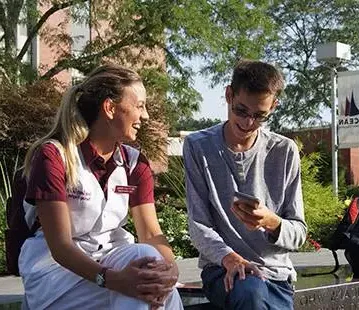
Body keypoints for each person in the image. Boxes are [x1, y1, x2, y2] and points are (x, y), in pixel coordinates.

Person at [19, 64, 183, 309]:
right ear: (109, 108)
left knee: (154, 275)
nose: (145, 116)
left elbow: (150, 234)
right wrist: (112, 279)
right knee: (143, 272)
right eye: (139, 105)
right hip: (57, 277)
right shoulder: (54, 156)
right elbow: (61, 247)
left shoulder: (136, 164)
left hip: (113, 265)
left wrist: (171, 271)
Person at [183, 59, 307, 309]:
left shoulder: (284, 151)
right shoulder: (198, 146)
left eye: (260, 116)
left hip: (276, 276)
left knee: (255, 293)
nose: (248, 122)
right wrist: (229, 258)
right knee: (250, 293)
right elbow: (198, 225)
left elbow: (299, 233)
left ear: (274, 106)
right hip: (224, 269)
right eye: (241, 110)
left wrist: (271, 222)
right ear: (229, 95)